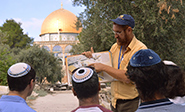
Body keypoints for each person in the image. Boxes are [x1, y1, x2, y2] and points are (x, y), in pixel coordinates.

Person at [82, 14, 147, 112]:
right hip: (115, 103)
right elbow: (109, 68)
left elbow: (128, 77)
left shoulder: (140, 50)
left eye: (118, 32)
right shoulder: (114, 47)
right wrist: (93, 58)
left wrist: (103, 67)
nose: (115, 35)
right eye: (114, 32)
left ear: (129, 30)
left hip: (131, 103)